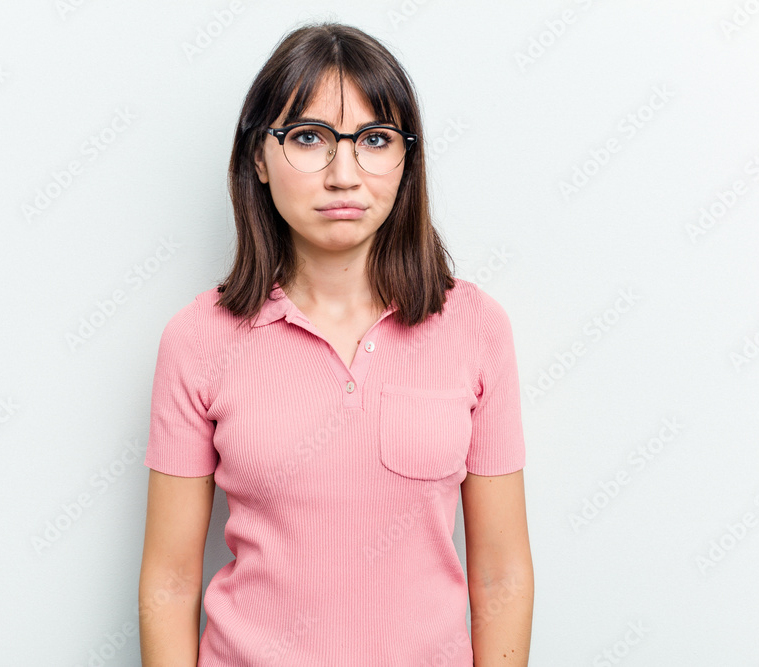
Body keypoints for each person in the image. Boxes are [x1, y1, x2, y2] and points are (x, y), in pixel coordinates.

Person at [138, 20, 533, 667]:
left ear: (406, 160)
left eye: (374, 140)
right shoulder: (197, 338)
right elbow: (170, 582)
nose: (343, 174)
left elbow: (501, 576)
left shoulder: (477, 327)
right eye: (308, 137)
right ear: (258, 159)